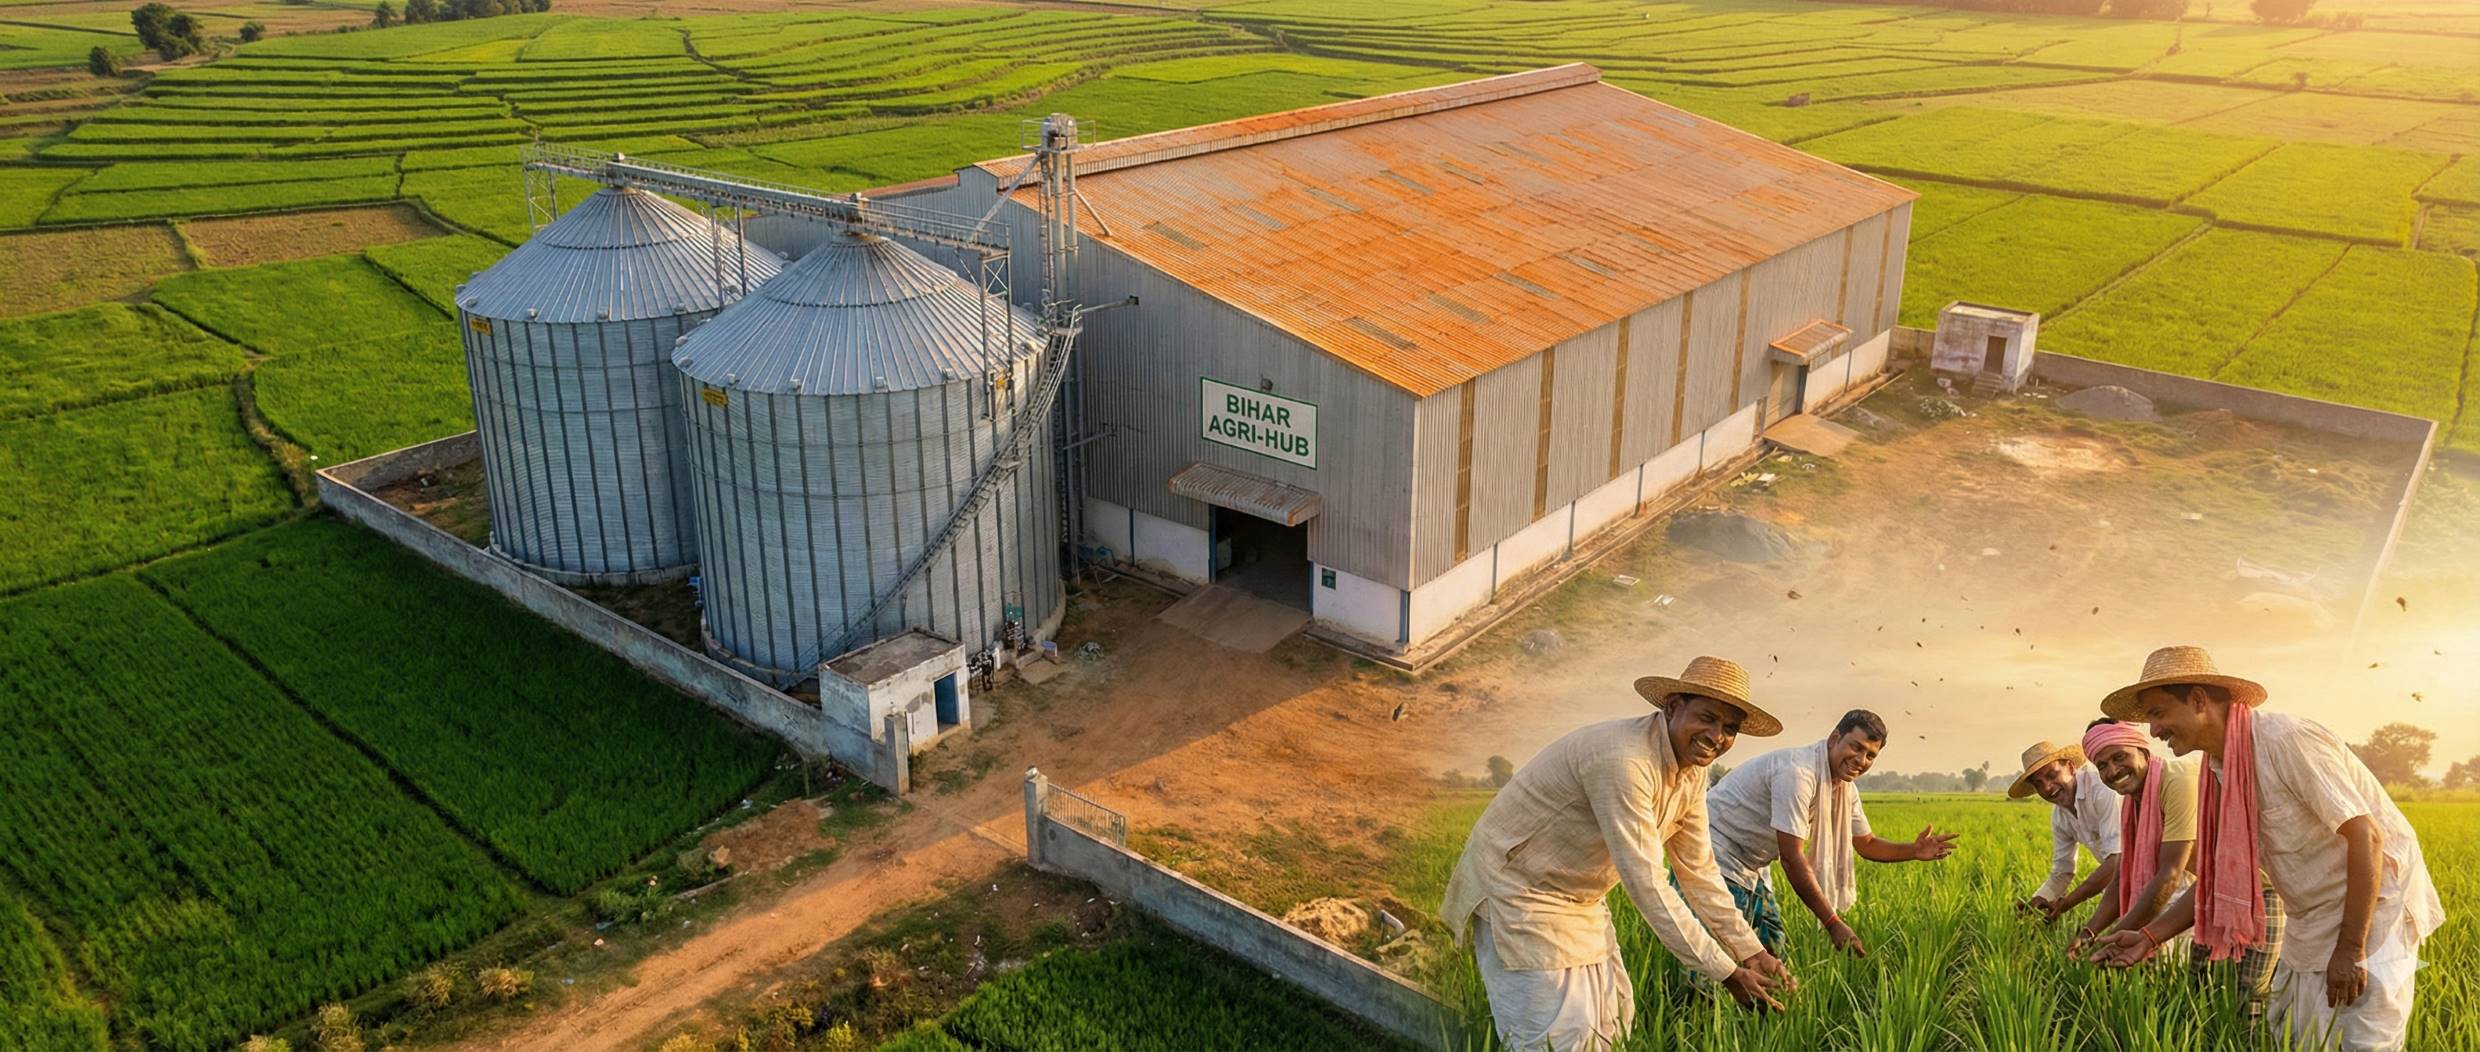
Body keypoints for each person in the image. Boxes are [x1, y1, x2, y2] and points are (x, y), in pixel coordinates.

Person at [2087, 646, 2445, 1052]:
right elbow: (2218, 876)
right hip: (2308, 912)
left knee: (2360, 1038)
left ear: (2199, 700)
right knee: (2298, 1033)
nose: (2154, 732)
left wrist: (2350, 948)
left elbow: (2368, 837)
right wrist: (2150, 937)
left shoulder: (2286, 740)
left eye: (2157, 713)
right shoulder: (2221, 769)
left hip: (2374, 908)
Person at [1439, 656, 1798, 1052]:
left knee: (1608, 1024)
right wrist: (1727, 973)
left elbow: (1699, 872)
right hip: (1520, 891)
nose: (1717, 736)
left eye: (1729, 728)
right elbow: (1647, 883)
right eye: (1708, 717)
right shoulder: (1624, 761)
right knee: (1553, 1038)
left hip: (1581, 900)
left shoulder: (1692, 774)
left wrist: (1751, 951)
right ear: (1673, 706)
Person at [1702, 708, 1961, 958]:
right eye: (1856, 747)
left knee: (1771, 946)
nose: (1861, 760)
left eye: (1870, 755)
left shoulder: (1843, 788)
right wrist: (1832, 922)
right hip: (1714, 849)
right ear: (1835, 739)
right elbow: (1792, 858)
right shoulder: (1798, 773)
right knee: (1718, 953)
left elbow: (1867, 843)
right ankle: (1698, 1000)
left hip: (1752, 863)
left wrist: (1913, 851)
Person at [2072, 717, 2286, 1017]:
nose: (2113, 771)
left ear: (2143, 752)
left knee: (2248, 999)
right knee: (2198, 995)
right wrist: (2092, 934)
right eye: (2102, 765)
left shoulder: (2176, 780)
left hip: (2258, 892)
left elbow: (2170, 873)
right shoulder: (2134, 803)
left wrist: (2120, 936)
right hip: (2211, 894)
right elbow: (2124, 873)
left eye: (2120, 757)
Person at [2009, 736, 2122, 927]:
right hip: (2125, 885)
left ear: (2070, 767)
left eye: (2052, 775)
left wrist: (2067, 902)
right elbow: (2063, 870)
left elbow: (2118, 860)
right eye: (2038, 783)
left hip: (2158, 876)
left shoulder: (2102, 792)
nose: (2047, 787)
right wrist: (2039, 900)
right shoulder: (2060, 817)